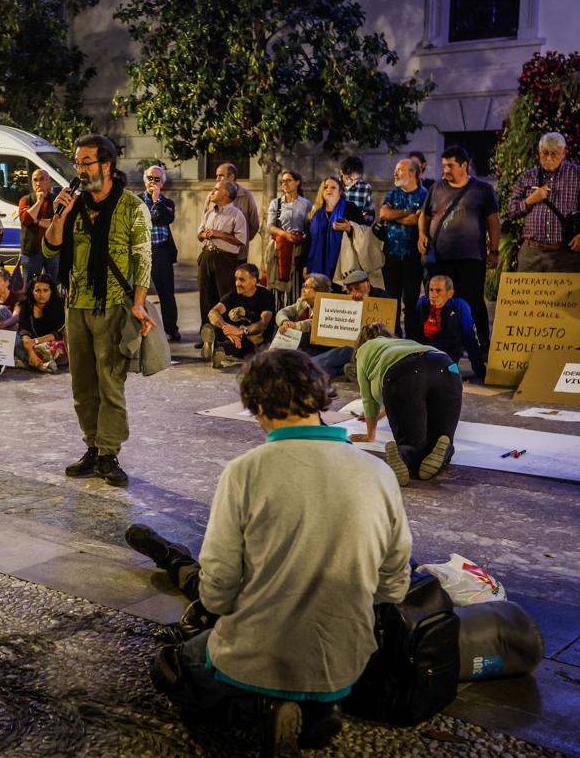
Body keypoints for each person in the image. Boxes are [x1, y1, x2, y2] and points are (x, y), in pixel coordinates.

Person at [129, 348, 412, 755]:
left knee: (172, 666)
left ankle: (263, 706)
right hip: (346, 657)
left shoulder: (245, 472)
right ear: (319, 396)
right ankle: (316, 703)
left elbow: (219, 588)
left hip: (255, 653)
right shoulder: (379, 473)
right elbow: (394, 583)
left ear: (259, 407)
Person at [43, 133, 152, 487]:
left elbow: (143, 258)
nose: (80, 170)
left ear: (106, 165)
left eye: (86, 163)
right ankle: (91, 447)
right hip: (76, 304)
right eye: (77, 164)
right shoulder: (73, 204)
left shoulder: (132, 207)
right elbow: (50, 249)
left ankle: (109, 453)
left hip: (113, 306)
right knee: (82, 386)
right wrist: (60, 214)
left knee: (111, 384)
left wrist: (138, 303)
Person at [350, 323, 462, 485]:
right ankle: (443, 448)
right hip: (446, 366)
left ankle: (405, 454)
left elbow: (368, 399)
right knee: (441, 439)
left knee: (412, 444)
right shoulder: (404, 343)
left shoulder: (364, 350)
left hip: (404, 373)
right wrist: (385, 411)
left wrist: (370, 435)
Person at [418, 145, 500, 354]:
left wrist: (494, 250)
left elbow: (493, 221)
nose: (446, 170)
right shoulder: (437, 188)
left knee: (473, 302)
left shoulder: (483, 190)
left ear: (464, 165)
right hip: (441, 258)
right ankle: (443, 345)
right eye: (444, 165)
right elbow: (425, 215)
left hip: (471, 258)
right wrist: (422, 235)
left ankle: (481, 344)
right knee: (441, 303)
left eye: (450, 166)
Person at [508, 132, 580, 274]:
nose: (549, 158)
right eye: (545, 153)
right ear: (539, 153)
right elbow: (512, 211)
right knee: (529, 295)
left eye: (554, 154)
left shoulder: (579, 174)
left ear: (564, 153)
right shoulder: (527, 177)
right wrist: (531, 199)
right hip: (531, 253)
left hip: (564, 253)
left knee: (563, 296)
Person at [379, 158, 427, 338]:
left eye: (400, 170)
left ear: (412, 173)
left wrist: (394, 215)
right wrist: (407, 213)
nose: (395, 173)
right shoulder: (393, 194)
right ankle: (394, 336)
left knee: (411, 300)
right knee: (392, 300)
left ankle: (413, 338)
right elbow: (383, 214)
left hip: (412, 256)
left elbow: (419, 219)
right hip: (391, 254)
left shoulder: (424, 195)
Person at [196, 180, 249, 343]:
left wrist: (219, 234)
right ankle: (207, 335)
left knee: (224, 297)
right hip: (207, 256)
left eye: (216, 189)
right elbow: (199, 234)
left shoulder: (236, 214)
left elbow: (241, 240)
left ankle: (225, 335)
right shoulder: (210, 212)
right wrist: (205, 235)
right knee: (205, 296)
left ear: (226, 193)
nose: (212, 192)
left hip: (224, 259)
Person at [201, 263, 274, 368]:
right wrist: (225, 327)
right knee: (217, 319)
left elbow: (263, 323)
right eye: (236, 279)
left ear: (253, 281)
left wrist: (241, 332)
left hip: (255, 340)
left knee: (241, 343)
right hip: (234, 336)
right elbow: (213, 312)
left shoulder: (265, 295)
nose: (237, 283)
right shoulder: (233, 295)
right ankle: (218, 350)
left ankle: (217, 349)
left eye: (242, 280)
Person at [415, 275, 486, 378]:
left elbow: (470, 339)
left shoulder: (460, 306)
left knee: (448, 375)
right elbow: (415, 334)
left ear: (449, 294)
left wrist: (480, 370)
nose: (433, 295)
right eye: (431, 290)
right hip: (426, 353)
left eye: (438, 291)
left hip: (449, 355)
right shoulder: (422, 304)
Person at [140, 165, 181, 341]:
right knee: (137, 292)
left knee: (166, 293)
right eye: (150, 178)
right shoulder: (136, 201)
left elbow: (167, 218)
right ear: (144, 180)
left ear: (162, 183)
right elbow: (144, 221)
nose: (153, 182)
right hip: (141, 252)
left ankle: (171, 329)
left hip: (161, 251)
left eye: (157, 179)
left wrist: (156, 201)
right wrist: (154, 212)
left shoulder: (167, 202)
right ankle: (139, 327)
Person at [263, 170, 310, 310]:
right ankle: (277, 317)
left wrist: (300, 236)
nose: (285, 184)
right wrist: (285, 234)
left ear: (297, 182)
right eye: (283, 181)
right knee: (277, 284)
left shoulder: (305, 204)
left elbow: (308, 227)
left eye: (289, 180)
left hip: (297, 249)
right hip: (279, 247)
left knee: (294, 283)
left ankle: (293, 318)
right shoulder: (276, 203)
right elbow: (270, 226)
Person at [306, 176, 364, 284]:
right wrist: (304, 264)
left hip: (342, 264)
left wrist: (349, 229)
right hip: (317, 265)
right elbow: (309, 241)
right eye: (326, 187)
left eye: (333, 187)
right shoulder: (316, 212)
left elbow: (364, 232)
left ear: (340, 191)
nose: (328, 190)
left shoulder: (350, 208)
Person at [15, 274, 66, 373]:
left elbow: (57, 333)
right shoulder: (26, 305)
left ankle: (30, 363)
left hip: (50, 344)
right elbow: (24, 330)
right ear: (32, 291)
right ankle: (42, 364)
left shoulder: (59, 305)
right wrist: (31, 351)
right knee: (16, 340)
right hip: (30, 345)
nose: (41, 294)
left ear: (51, 291)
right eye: (37, 290)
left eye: (45, 290)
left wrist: (36, 341)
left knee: (62, 347)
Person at [19, 169, 60, 286]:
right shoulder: (25, 200)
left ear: (49, 182)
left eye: (42, 179)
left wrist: (36, 221)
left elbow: (56, 223)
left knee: (52, 285)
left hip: (52, 250)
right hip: (32, 251)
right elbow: (26, 220)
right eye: (35, 180)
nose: (38, 183)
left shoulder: (56, 200)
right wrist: (39, 201)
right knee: (29, 286)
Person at [275, 273, 333, 355]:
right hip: (302, 343)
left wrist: (295, 325)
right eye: (303, 286)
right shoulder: (302, 302)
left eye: (306, 287)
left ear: (318, 291)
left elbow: (314, 323)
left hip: (319, 347)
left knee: (305, 336)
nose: (302, 290)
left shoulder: (328, 306)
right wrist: (285, 322)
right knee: (279, 329)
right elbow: (282, 312)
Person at [216, 162, 260, 261]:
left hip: (238, 253)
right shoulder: (212, 195)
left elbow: (254, 224)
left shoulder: (246, 196)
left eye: (221, 176)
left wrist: (242, 239)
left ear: (231, 177)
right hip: (216, 253)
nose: (217, 179)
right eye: (216, 176)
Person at [339, 155, 375, 223]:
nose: (352, 182)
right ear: (341, 172)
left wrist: (366, 217)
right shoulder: (332, 186)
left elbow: (370, 214)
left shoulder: (365, 188)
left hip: (355, 230)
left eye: (355, 179)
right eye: (349, 178)